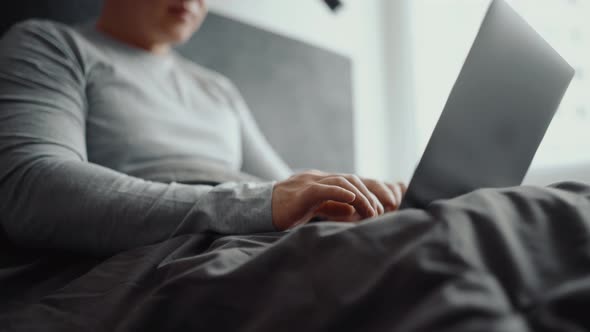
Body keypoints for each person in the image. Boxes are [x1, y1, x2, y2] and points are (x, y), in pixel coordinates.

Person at [0, 0, 406, 256]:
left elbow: (287, 187)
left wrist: (348, 200)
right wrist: (255, 204)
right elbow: (33, 191)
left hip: (249, 241)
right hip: (169, 255)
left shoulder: (216, 89)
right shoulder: (51, 44)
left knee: (435, 230)